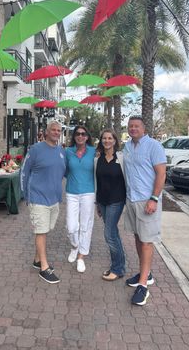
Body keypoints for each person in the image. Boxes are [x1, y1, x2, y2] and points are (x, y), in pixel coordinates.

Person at [123, 116, 166, 305]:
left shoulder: (154, 146)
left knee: (147, 242)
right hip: (131, 200)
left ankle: (143, 286)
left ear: (144, 128)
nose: (133, 129)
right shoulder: (127, 147)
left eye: (136, 126)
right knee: (138, 238)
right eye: (130, 126)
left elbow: (161, 173)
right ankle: (145, 273)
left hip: (147, 201)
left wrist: (154, 198)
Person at [20, 120, 66, 284]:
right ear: (46, 132)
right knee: (41, 231)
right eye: (53, 130)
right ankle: (44, 268)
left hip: (54, 199)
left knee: (46, 229)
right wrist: (25, 194)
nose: (56, 132)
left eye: (58, 130)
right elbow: (24, 171)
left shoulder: (61, 151)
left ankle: (37, 259)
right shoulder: (36, 149)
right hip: (38, 198)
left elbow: (65, 172)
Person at [95, 129, 126, 281]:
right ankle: (120, 266)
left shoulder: (121, 157)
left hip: (116, 200)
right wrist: (97, 204)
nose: (106, 141)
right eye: (104, 138)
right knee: (114, 233)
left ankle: (117, 268)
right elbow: (98, 182)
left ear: (114, 140)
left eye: (109, 138)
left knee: (109, 235)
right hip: (102, 201)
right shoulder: (98, 159)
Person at [65, 125, 96, 273]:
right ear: (74, 136)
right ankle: (74, 246)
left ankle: (81, 257)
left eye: (83, 134)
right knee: (71, 227)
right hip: (71, 192)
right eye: (77, 134)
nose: (80, 136)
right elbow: (64, 171)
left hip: (88, 193)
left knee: (85, 226)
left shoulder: (93, 152)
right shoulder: (68, 152)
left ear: (87, 136)